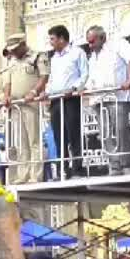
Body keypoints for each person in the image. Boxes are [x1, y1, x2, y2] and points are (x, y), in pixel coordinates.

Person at [83, 26, 130, 175]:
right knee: (105, 132)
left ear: (102, 37)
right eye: (88, 42)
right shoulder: (93, 56)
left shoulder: (118, 44)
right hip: (99, 98)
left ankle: (126, 164)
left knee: (121, 129)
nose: (90, 45)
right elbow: (92, 76)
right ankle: (114, 165)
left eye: (92, 41)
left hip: (118, 96)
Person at [2, 33, 49, 184]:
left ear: (23, 44)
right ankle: (23, 174)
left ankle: (36, 174)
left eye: (16, 49)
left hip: (31, 104)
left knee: (34, 140)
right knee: (21, 142)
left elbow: (44, 77)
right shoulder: (12, 61)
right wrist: (6, 95)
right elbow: (7, 81)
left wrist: (34, 91)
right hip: (16, 105)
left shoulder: (37, 56)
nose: (14, 52)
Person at [45, 25, 88, 179]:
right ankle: (63, 169)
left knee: (73, 133)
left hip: (71, 98)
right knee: (58, 135)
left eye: (52, 39)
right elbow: (51, 79)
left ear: (62, 38)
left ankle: (77, 168)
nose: (51, 42)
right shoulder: (54, 58)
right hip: (55, 100)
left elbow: (84, 74)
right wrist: (47, 92)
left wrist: (75, 88)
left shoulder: (77, 53)